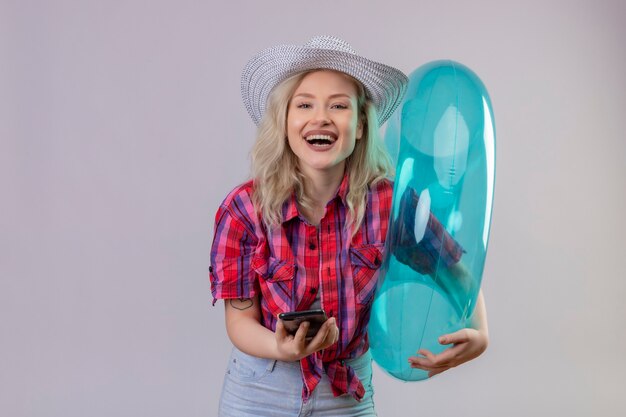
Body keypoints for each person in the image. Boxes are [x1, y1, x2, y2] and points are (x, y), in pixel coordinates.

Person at [209, 35, 489, 417]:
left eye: (338, 106)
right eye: (304, 104)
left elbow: (452, 268)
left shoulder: (389, 204)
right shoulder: (243, 209)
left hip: (345, 394)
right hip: (261, 390)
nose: (320, 117)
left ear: (359, 126)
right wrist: (282, 348)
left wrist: (481, 332)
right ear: (286, 121)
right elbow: (239, 321)